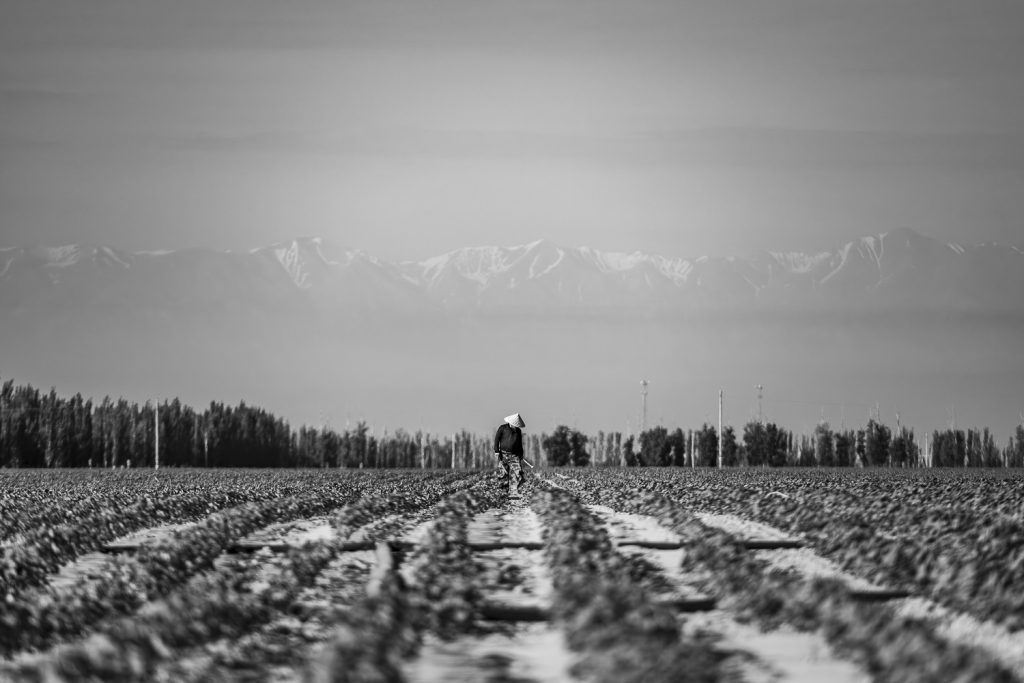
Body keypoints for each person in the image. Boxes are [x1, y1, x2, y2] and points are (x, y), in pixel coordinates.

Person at [494, 413, 526, 493]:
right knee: (503, 473)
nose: (516, 426)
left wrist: (521, 454)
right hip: (503, 454)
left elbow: (519, 443)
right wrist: (496, 451)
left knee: (518, 471)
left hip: (514, 455)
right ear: (511, 423)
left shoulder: (518, 431)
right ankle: (503, 491)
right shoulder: (502, 428)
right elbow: (496, 439)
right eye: (516, 425)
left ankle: (518, 485)